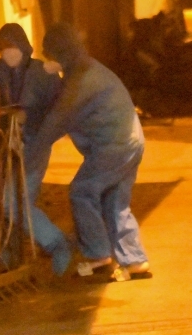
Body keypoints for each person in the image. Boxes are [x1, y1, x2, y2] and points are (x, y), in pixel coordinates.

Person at [30, 23, 151, 281]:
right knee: (115, 201)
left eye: (49, 53)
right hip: (130, 141)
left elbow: (56, 121)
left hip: (114, 145)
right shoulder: (86, 68)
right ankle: (134, 260)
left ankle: (98, 254)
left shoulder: (81, 80)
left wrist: (28, 157)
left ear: (60, 52)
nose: (47, 59)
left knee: (82, 192)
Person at [0, 24, 72, 275]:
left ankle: (56, 243)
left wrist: (32, 121)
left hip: (35, 146)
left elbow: (60, 109)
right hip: (4, 146)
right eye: (3, 47)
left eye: (12, 46)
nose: (8, 52)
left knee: (13, 203)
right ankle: (12, 259)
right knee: (11, 206)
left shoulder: (42, 73)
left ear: (23, 45)